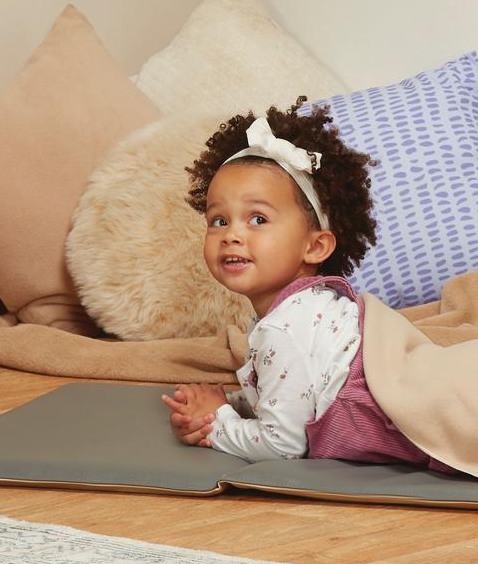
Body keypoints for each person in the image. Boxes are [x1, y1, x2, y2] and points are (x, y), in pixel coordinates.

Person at [161, 101, 446, 467]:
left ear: (315, 246)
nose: (231, 234)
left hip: (427, 408)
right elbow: (302, 390)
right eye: (218, 220)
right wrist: (227, 403)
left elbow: (283, 445)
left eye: (258, 219)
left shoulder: (284, 327)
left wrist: (215, 423)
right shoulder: (307, 306)